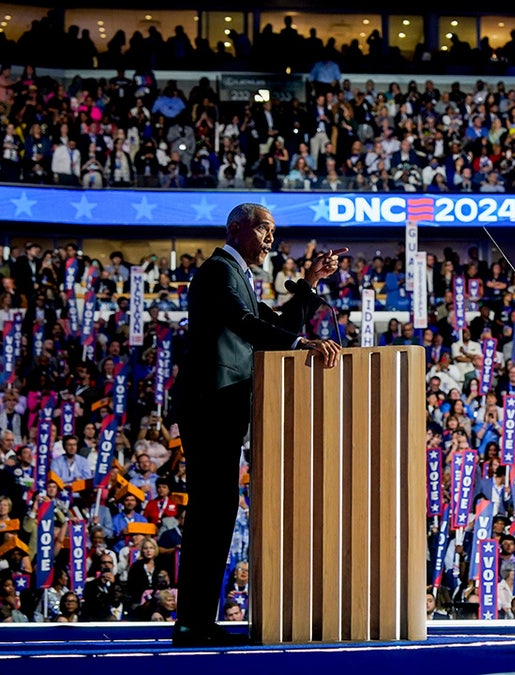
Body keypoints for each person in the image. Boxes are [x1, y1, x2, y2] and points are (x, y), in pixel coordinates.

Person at [171, 203, 344, 647]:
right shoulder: (218, 272)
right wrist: (302, 341)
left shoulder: (239, 277)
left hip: (222, 409)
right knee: (211, 512)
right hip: (210, 405)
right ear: (237, 228)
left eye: (272, 230)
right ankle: (191, 623)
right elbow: (246, 324)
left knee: (218, 511)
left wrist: (310, 283)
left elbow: (275, 323)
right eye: (264, 228)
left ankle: (197, 621)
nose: (270, 237)